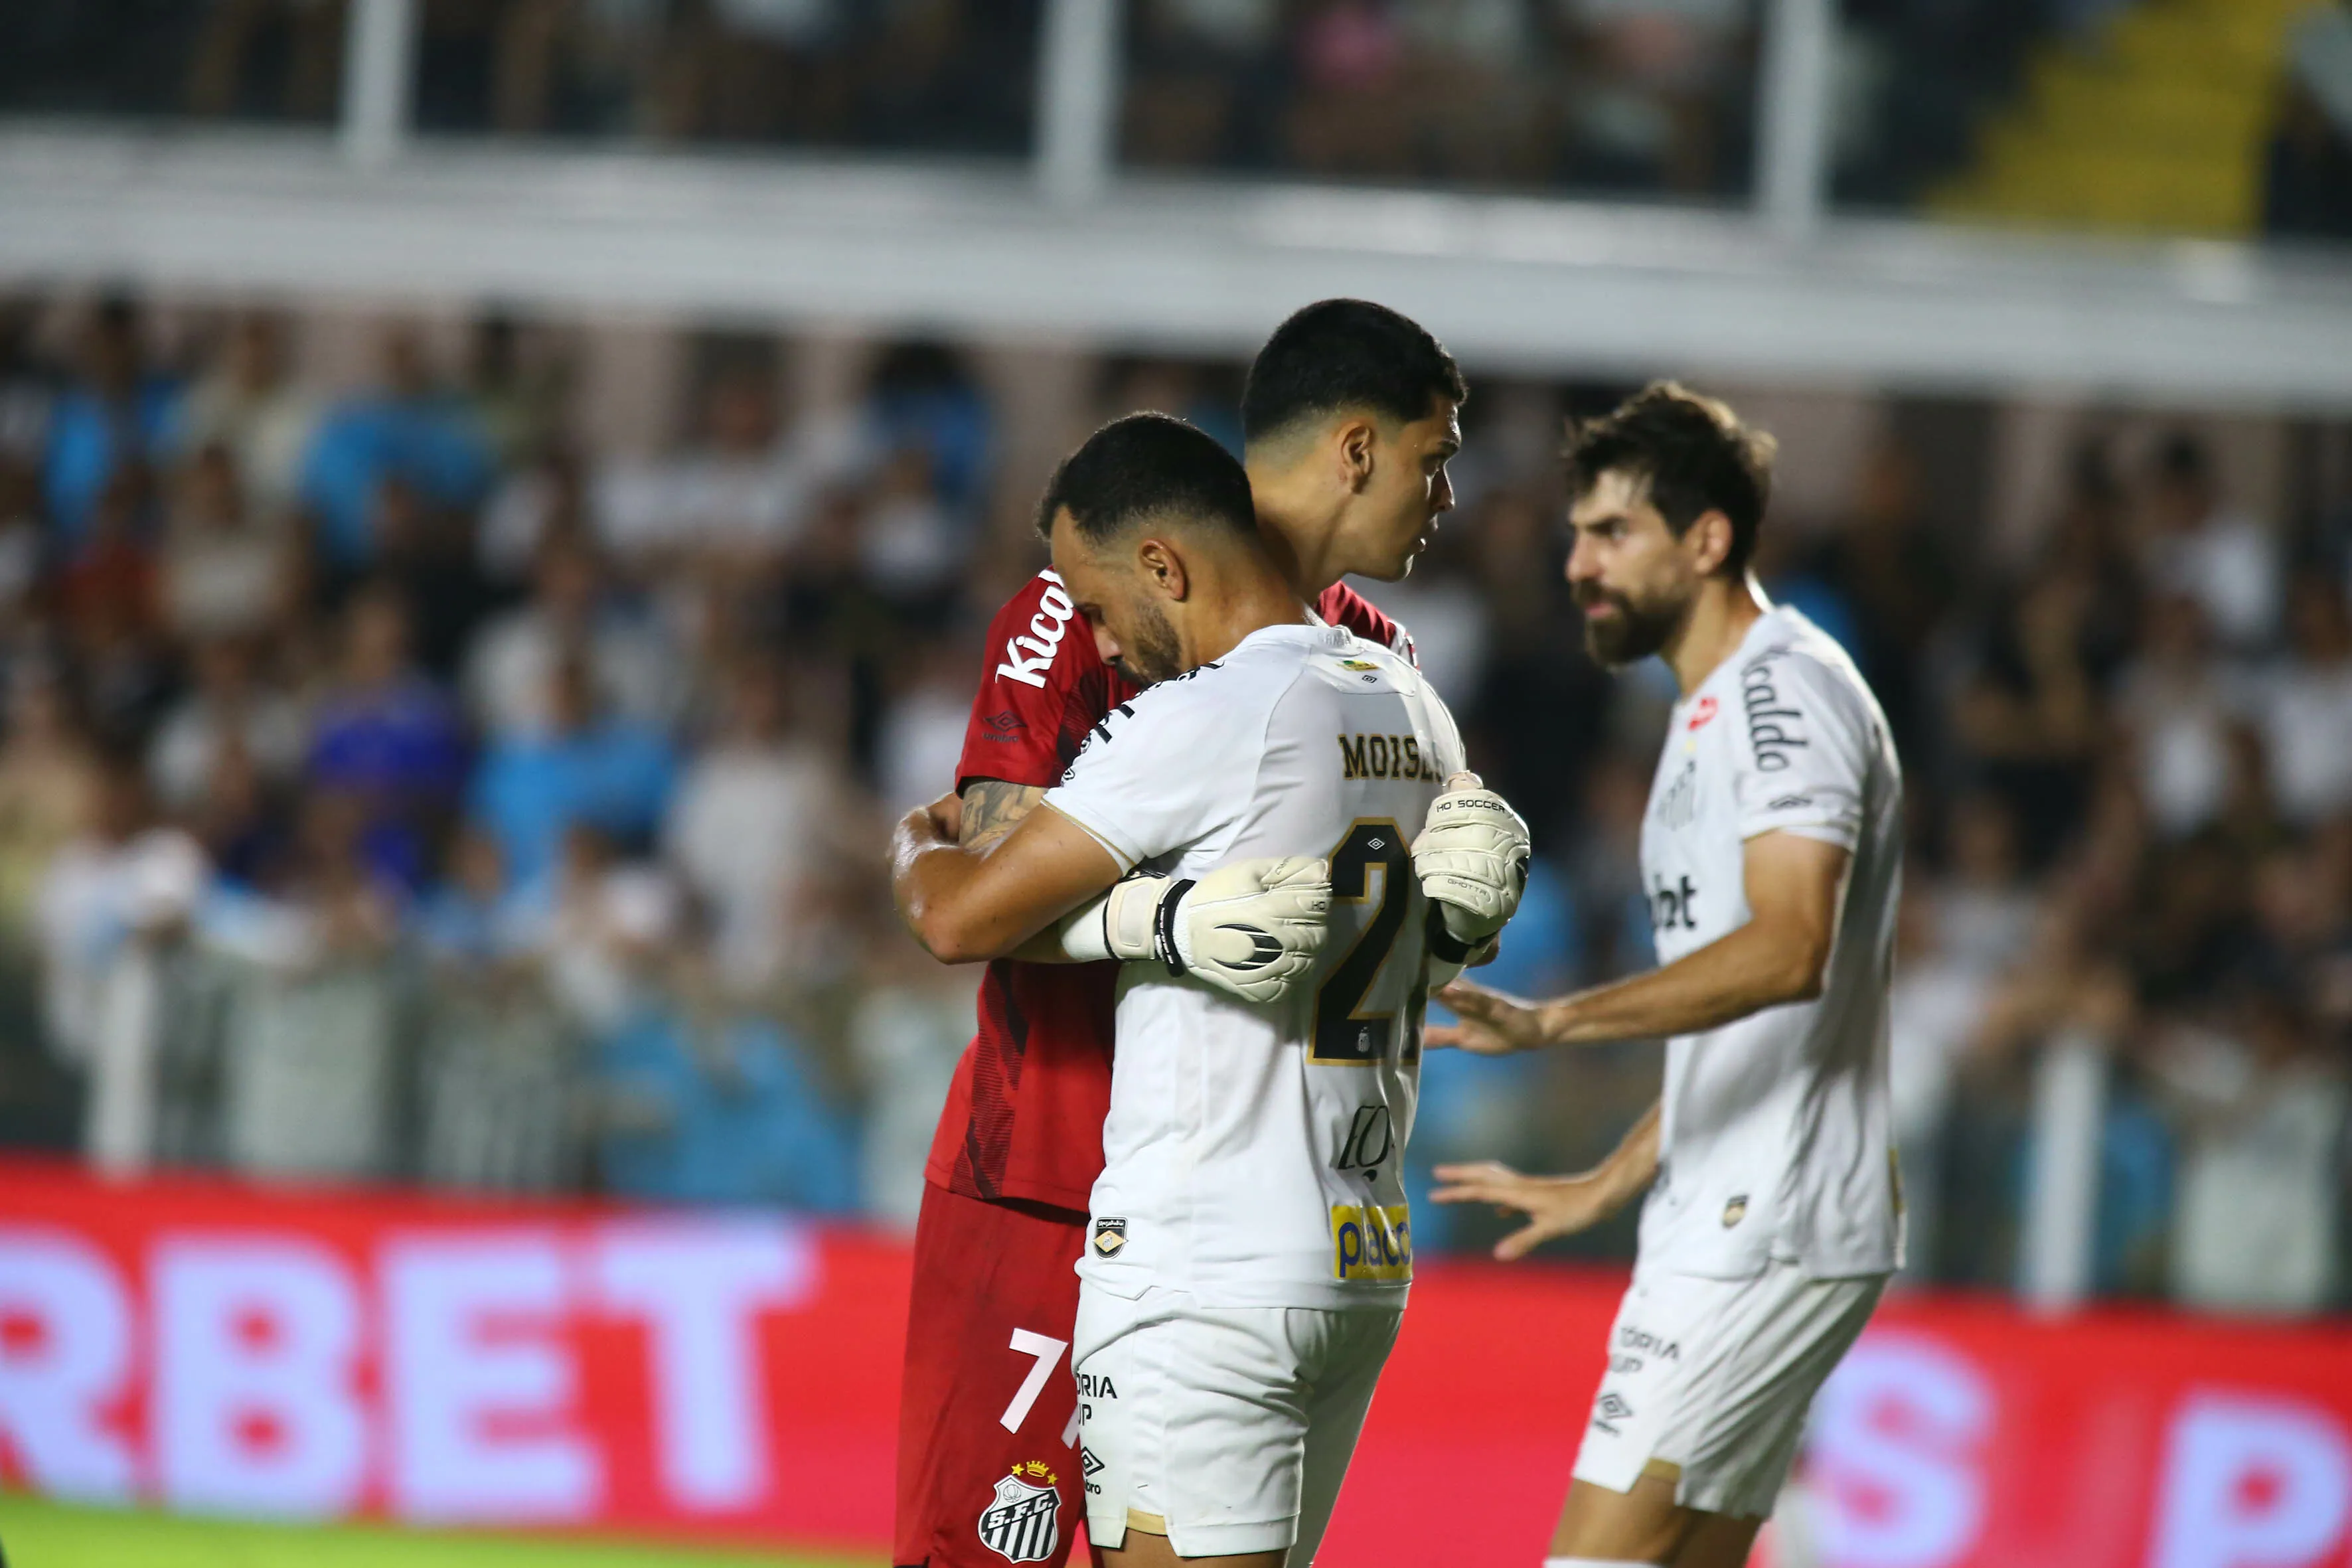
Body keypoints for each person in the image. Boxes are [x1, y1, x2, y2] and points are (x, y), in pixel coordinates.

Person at [887, 299, 1470, 1568]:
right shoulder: (1089, 600)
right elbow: (986, 876)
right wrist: (1173, 918)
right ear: (1356, 449)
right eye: (1438, 457)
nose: (1449, 496)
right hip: (1050, 1173)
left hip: (1240, 1214)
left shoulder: (1378, 665)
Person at [1429, 384, 1904, 1568]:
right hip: (1734, 1200)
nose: (1578, 561)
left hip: (1769, 1215)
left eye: (1612, 534)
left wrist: (1551, 1025)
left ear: (1706, 539)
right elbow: (1738, 1021)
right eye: (1578, 531)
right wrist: (1618, 1173)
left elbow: (1792, 948)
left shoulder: (1781, 694)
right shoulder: (1703, 713)